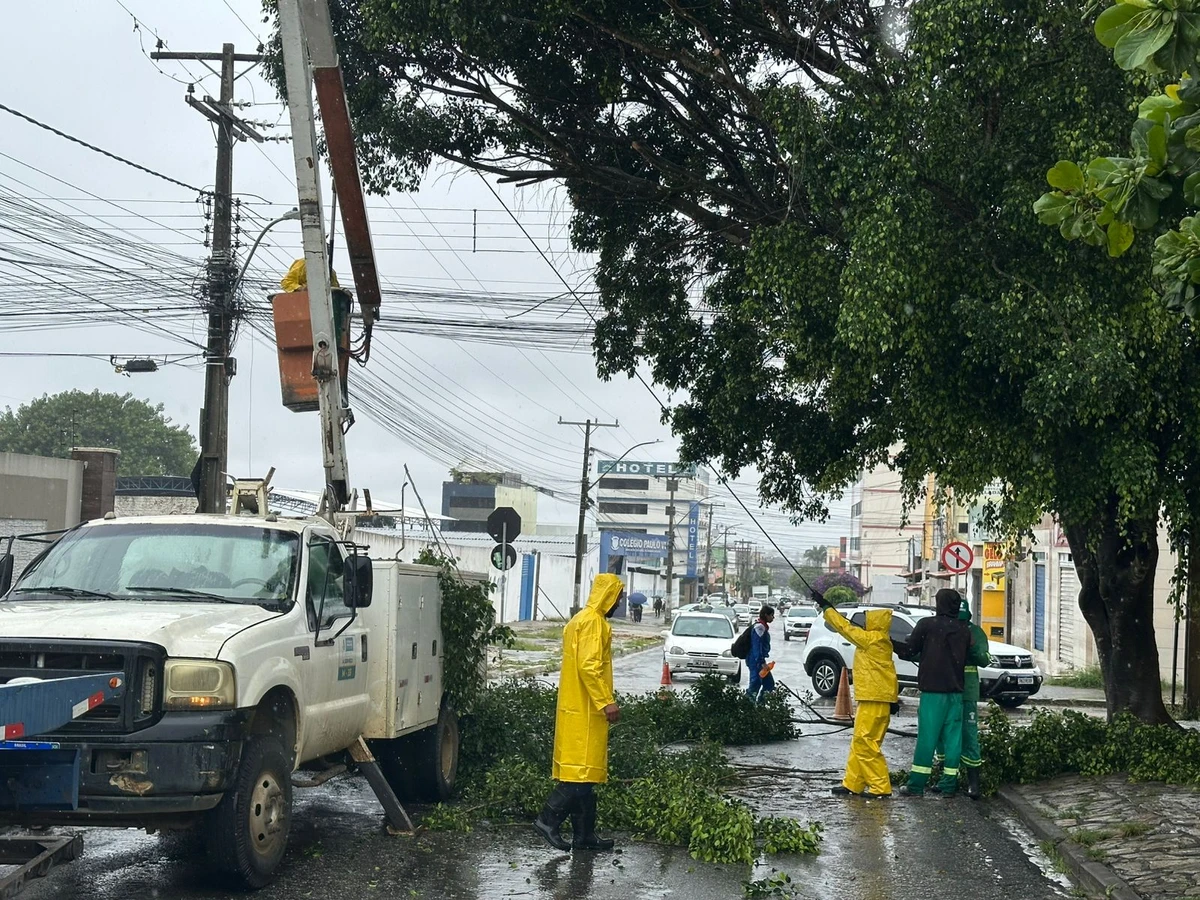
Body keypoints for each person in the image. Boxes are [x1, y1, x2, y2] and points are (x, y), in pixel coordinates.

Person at [533, 573, 623, 852]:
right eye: (618, 596)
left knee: (585, 776)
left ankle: (584, 836)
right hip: (586, 710)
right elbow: (589, 666)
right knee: (580, 776)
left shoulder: (579, 620)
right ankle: (548, 819)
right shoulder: (594, 623)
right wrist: (606, 701)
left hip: (575, 707)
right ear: (608, 596)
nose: (619, 601)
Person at [814, 592, 897, 799]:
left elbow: (845, 628)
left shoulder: (872, 639)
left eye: (868, 620)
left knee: (865, 742)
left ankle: (880, 787)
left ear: (875, 623)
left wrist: (826, 608)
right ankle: (853, 783)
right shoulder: (881, 640)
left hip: (873, 699)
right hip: (878, 699)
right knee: (863, 742)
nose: (864, 624)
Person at [899, 588, 971, 796]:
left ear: (939, 604)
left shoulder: (927, 625)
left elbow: (909, 651)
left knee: (927, 740)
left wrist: (890, 645)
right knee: (953, 740)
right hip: (956, 693)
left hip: (933, 693)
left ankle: (916, 785)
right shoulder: (964, 629)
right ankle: (949, 785)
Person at [933, 598, 991, 799]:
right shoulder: (942, 629)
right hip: (944, 688)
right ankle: (947, 779)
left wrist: (971, 647)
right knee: (942, 733)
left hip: (966, 692)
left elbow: (985, 659)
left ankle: (973, 784)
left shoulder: (975, 633)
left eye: (963, 621)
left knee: (968, 735)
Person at [746, 604, 776, 700]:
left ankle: (760, 706)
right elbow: (756, 646)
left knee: (769, 684)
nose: (773, 617)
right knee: (755, 684)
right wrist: (761, 662)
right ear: (766, 615)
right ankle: (747, 706)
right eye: (771, 615)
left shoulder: (762, 626)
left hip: (758, 660)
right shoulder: (759, 628)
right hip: (755, 661)